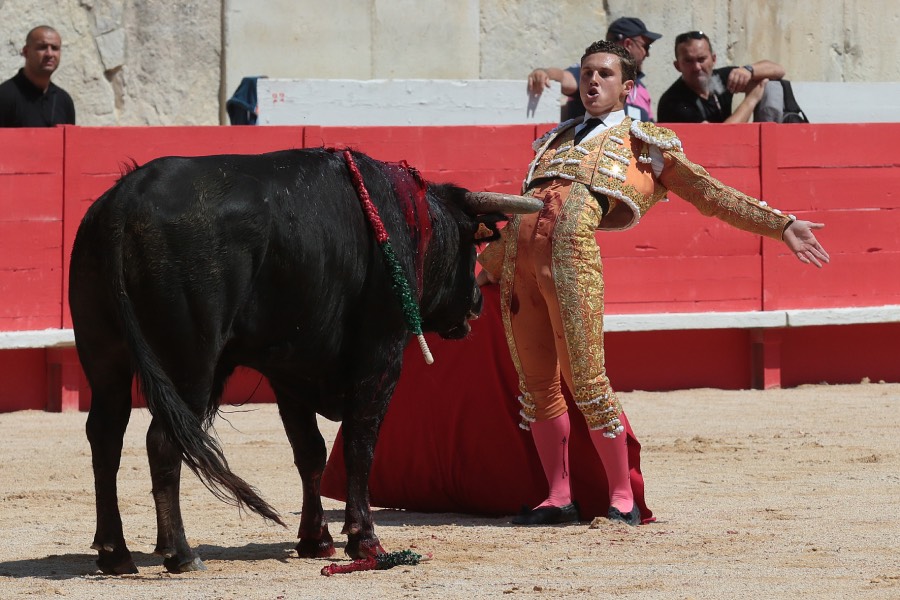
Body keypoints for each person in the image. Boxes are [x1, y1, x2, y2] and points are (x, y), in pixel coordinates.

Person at [477, 40, 828, 526]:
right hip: (521, 268)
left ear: (627, 87)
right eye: (586, 74)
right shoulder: (554, 141)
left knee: (587, 379)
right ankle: (558, 496)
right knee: (536, 384)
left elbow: (708, 193)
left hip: (571, 266)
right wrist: (484, 271)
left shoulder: (644, 144)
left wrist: (781, 225)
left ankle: (622, 498)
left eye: (603, 74)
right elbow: (523, 215)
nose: (592, 82)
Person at [527, 17, 661, 123]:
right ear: (628, 44)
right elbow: (563, 78)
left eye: (605, 74)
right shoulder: (589, 74)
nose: (647, 54)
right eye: (646, 46)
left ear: (627, 86)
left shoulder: (641, 89)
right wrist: (544, 73)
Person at [657, 30, 785, 123]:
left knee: (771, 85)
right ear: (677, 66)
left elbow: (778, 70)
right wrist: (751, 100)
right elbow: (720, 139)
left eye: (701, 59)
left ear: (713, 59)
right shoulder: (674, 102)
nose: (696, 67)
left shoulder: (718, 79)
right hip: (694, 158)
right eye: (688, 61)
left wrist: (748, 70)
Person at [0, 25, 76, 128]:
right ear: (26, 52)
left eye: (55, 48)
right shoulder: (4, 96)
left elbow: (69, 143)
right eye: (42, 47)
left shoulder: (64, 101)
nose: (49, 54)